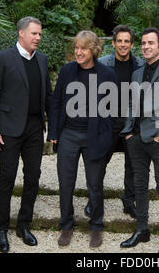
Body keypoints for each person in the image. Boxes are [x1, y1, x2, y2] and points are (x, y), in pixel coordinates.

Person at [0, 16, 53, 253]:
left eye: (40, 34)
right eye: (34, 34)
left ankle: (23, 225)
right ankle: (1, 228)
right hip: (9, 130)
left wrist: (52, 128)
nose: (38, 38)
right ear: (21, 34)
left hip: (35, 129)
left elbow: (48, 96)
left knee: (33, 177)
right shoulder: (3, 58)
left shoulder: (42, 60)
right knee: (7, 178)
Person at [47, 30, 117, 248]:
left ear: (93, 50)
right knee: (65, 183)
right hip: (68, 134)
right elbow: (56, 102)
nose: (78, 52)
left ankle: (96, 226)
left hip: (94, 137)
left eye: (83, 48)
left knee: (95, 184)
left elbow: (113, 111)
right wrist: (54, 133)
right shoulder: (67, 71)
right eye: (76, 48)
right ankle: (66, 224)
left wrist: (107, 139)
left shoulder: (106, 74)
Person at [119, 27, 159, 253]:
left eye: (151, 43)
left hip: (158, 140)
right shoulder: (136, 73)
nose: (146, 47)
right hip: (135, 139)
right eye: (144, 43)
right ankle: (142, 229)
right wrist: (128, 132)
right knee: (139, 187)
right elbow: (130, 104)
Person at [84, 25, 145, 220]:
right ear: (113, 43)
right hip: (107, 121)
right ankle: (93, 201)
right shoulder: (101, 63)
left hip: (132, 121)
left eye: (127, 41)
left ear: (132, 44)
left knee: (133, 164)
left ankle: (129, 202)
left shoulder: (141, 66)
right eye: (119, 41)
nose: (123, 44)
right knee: (100, 162)